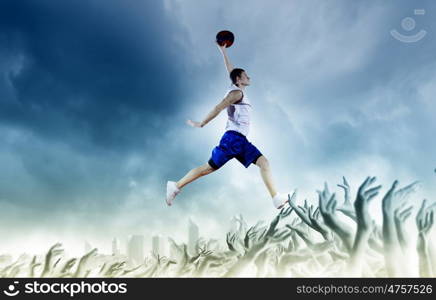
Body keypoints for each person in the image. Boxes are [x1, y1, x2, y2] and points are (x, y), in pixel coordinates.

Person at [166, 42, 290, 209]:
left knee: (263, 163)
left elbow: (231, 71)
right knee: (208, 168)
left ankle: (276, 198)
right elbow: (219, 106)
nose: (249, 77)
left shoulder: (236, 88)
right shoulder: (236, 93)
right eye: (246, 75)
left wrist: (223, 51)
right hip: (232, 139)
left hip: (240, 140)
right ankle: (175, 186)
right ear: (239, 80)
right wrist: (202, 123)